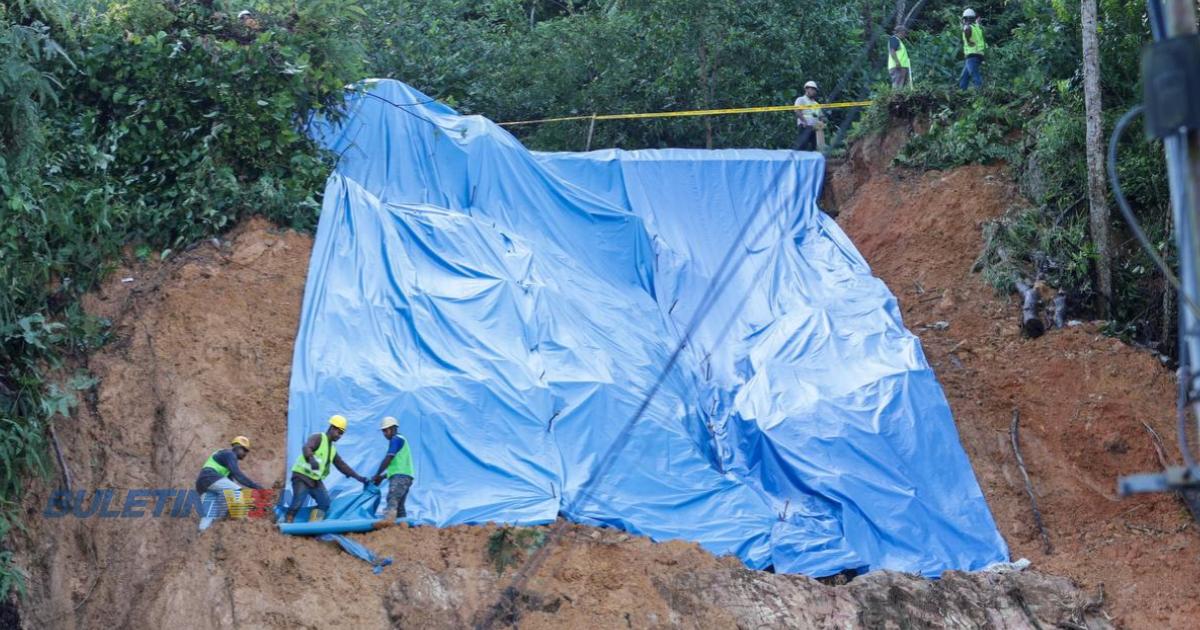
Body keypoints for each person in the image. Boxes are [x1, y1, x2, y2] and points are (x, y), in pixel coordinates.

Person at [284, 414, 369, 523]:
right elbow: (307, 447)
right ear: (332, 428)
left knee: (324, 503)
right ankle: (287, 521)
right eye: (339, 432)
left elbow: (341, 465)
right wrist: (311, 459)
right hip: (301, 476)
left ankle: (313, 524)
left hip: (314, 480)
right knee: (298, 501)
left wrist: (359, 478)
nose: (339, 436)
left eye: (342, 434)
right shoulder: (318, 437)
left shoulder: (332, 449)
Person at [196, 436, 263, 531]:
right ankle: (240, 520)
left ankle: (201, 534)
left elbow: (230, 481)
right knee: (236, 490)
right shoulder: (230, 454)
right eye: (245, 450)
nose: (245, 454)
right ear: (237, 447)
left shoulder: (226, 459)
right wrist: (255, 486)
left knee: (209, 515)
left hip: (202, 483)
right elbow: (238, 475)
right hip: (210, 477)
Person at [371, 416, 415, 520]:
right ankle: (402, 527)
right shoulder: (401, 440)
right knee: (399, 506)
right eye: (383, 431)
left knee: (392, 499)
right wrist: (382, 477)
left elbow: (389, 458)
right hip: (406, 477)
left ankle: (388, 523)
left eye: (386, 430)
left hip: (400, 478)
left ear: (394, 428)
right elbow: (398, 467)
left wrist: (377, 475)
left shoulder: (396, 439)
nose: (385, 434)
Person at [958, 8, 986, 90]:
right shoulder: (977, 27)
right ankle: (962, 92)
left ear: (965, 18)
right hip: (978, 55)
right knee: (964, 76)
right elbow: (976, 24)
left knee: (975, 76)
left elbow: (966, 29)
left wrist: (968, 40)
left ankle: (981, 93)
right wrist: (977, 21)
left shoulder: (968, 27)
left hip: (971, 56)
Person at [793, 81, 824, 151]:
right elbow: (797, 111)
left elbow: (819, 116)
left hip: (814, 128)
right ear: (806, 89)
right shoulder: (801, 99)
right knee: (802, 147)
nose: (814, 91)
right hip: (804, 127)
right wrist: (804, 121)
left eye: (815, 90)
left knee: (815, 148)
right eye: (812, 89)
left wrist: (821, 123)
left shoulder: (816, 104)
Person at [888, 25, 912, 89]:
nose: (905, 35)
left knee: (901, 86)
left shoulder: (898, 41)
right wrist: (897, 62)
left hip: (901, 67)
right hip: (898, 66)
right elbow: (892, 51)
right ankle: (895, 98)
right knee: (897, 86)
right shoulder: (894, 39)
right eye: (905, 32)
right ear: (901, 32)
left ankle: (899, 98)